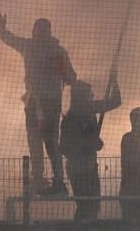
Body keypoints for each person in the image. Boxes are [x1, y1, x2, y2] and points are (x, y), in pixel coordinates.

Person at [0, 15, 76, 196]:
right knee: (51, 143)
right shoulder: (58, 51)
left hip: (36, 104)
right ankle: (57, 181)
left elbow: (9, 39)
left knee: (36, 140)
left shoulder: (31, 47)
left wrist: (2, 28)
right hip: (51, 103)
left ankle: (40, 180)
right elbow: (72, 77)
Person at [60, 73, 121, 222]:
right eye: (89, 94)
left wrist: (114, 82)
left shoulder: (89, 109)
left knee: (93, 204)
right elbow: (65, 147)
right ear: (81, 96)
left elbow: (115, 102)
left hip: (89, 167)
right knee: (86, 205)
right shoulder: (71, 119)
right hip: (78, 169)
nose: (93, 95)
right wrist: (89, 144)